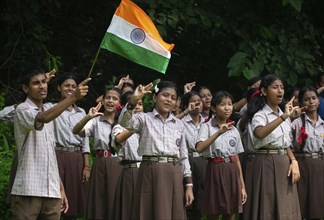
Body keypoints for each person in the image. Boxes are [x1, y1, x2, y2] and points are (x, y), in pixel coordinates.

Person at [11, 67, 90, 219]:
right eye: (36, 83)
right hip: (29, 188)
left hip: (52, 190)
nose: (42, 86)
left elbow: (50, 157)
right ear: (25, 88)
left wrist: (60, 188)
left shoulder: (50, 111)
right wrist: (73, 97)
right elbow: (42, 118)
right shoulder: (23, 109)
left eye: (44, 82)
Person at [119, 81, 194, 220]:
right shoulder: (144, 119)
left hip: (174, 172)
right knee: (148, 212)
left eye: (173, 97)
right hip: (150, 171)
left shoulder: (179, 124)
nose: (169, 100)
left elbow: (183, 156)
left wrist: (188, 185)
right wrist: (134, 100)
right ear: (154, 97)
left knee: (173, 213)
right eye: (165, 95)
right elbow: (124, 122)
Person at [242, 74, 301, 220]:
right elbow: (260, 133)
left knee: (286, 207)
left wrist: (294, 161)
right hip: (265, 163)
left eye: (281, 87)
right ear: (264, 91)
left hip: (283, 163)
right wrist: (283, 117)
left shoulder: (283, 114)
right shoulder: (260, 115)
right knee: (266, 208)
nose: (280, 91)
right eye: (275, 87)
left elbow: (285, 144)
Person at [73, 87, 123, 220]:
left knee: (115, 200)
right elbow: (77, 131)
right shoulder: (95, 120)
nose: (110, 101)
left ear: (119, 103)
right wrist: (88, 117)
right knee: (99, 201)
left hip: (118, 163)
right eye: (108, 98)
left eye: (114, 98)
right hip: (100, 162)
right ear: (103, 100)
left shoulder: (123, 122)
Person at [196, 91, 246, 220]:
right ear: (213, 108)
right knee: (213, 209)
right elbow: (199, 148)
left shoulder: (234, 130)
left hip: (232, 169)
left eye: (229, 104)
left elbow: (236, 158)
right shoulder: (206, 126)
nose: (227, 107)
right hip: (215, 168)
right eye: (222, 104)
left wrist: (242, 186)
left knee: (230, 211)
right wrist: (218, 132)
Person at [46, 74, 90, 220]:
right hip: (57, 156)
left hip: (76, 158)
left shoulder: (82, 112)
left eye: (73, 86)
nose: (70, 88)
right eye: (66, 85)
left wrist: (86, 166)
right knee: (54, 200)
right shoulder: (51, 108)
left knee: (72, 203)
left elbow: (85, 141)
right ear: (59, 88)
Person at [292, 86, 324, 219]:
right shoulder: (296, 123)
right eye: (306, 99)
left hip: (319, 165)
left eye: (314, 98)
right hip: (301, 164)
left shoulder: (323, 124)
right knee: (301, 202)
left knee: (317, 203)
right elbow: (287, 143)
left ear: (319, 101)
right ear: (300, 103)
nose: (311, 102)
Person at [111, 92, 143, 220]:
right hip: (131, 171)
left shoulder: (149, 124)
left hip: (148, 169)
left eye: (140, 104)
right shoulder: (119, 126)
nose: (138, 107)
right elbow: (118, 140)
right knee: (129, 210)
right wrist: (133, 127)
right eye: (134, 104)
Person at [180, 91, 207, 220]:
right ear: (186, 105)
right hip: (188, 160)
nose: (197, 103)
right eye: (193, 101)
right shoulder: (181, 122)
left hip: (204, 161)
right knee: (188, 200)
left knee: (202, 201)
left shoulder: (208, 121)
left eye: (199, 100)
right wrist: (185, 112)